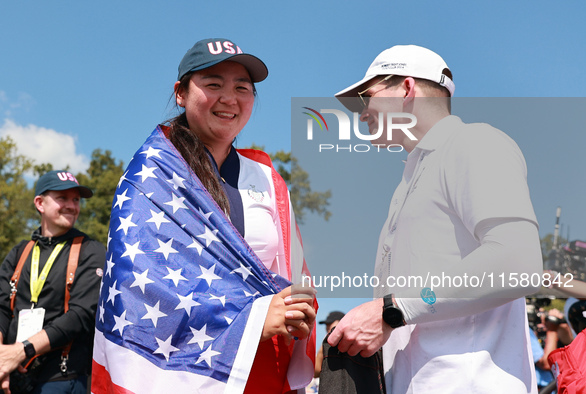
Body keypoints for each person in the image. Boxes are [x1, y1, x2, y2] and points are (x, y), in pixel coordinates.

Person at [91, 38, 316, 394]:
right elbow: (139, 283)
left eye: (242, 87)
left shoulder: (268, 178)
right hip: (179, 373)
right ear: (181, 93)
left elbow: (297, 270)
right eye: (213, 84)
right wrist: (254, 319)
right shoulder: (153, 172)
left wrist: (299, 306)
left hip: (264, 368)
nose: (230, 98)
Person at [327, 45, 543, 393]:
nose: (362, 112)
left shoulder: (473, 142)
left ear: (407, 89)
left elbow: (518, 262)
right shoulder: (410, 180)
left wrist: (392, 310)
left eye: (367, 96)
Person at [0, 170, 106, 393]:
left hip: (61, 378)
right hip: (12, 378)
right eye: (62, 198)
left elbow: (80, 316)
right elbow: (1, 308)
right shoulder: (20, 252)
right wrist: (2, 361)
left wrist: (22, 350)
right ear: (40, 203)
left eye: (76, 199)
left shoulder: (91, 251)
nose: (71, 205)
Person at [314, 311, 344, 378]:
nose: (327, 327)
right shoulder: (326, 344)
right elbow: (316, 371)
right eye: (326, 324)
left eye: (330, 323)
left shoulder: (351, 341)